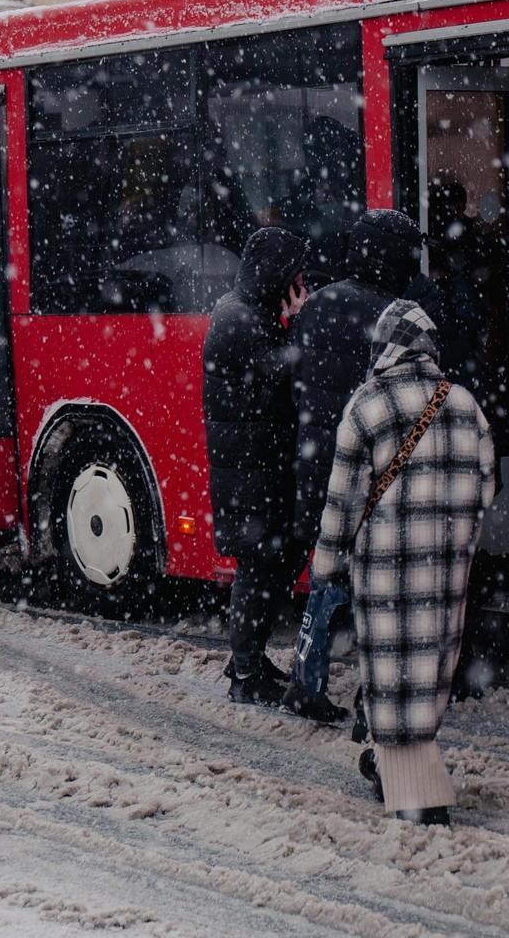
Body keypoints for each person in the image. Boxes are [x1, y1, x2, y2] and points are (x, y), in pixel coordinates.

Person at [313, 300, 495, 825]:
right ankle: (399, 763)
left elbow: (342, 502)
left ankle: (408, 789)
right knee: (431, 668)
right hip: (445, 570)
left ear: (384, 347)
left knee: (390, 671)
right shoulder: (465, 405)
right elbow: (485, 490)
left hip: (384, 570)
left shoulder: (367, 406)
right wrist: (457, 543)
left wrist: (326, 569)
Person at [284, 210, 426, 724]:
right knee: (375, 582)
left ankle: (306, 677)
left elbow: (298, 379)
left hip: (318, 457)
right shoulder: (393, 314)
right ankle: (378, 696)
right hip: (368, 464)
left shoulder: (317, 303)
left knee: (327, 572)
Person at [203, 226, 309, 706]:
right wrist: (302, 322)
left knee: (276, 562)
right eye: (293, 274)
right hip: (250, 469)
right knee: (259, 569)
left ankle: (249, 657)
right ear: (275, 275)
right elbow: (280, 373)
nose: (299, 281)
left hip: (258, 464)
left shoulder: (250, 311)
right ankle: (244, 674)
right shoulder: (239, 319)